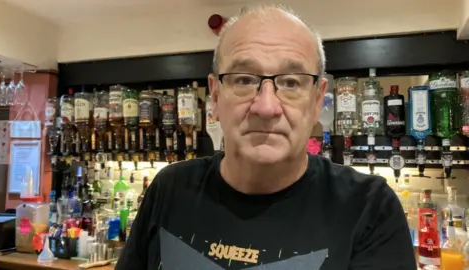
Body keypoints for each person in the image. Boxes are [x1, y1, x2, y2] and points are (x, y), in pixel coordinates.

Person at [116, 4, 416, 270]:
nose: (267, 106)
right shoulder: (169, 189)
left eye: (291, 82)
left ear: (317, 101)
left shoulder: (370, 209)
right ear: (216, 96)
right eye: (245, 80)